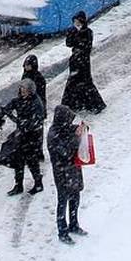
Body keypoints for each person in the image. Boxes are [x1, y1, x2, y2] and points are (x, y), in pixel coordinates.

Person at [0, 78, 46, 196]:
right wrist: (1, 115)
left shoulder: (36, 103)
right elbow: (9, 106)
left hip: (32, 136)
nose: (22, 91)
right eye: (21, 88)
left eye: (24, 89)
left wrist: (18, 120)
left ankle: (38, 183)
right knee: (18, 160)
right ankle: (18, 185)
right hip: (22, 135)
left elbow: (34, 122)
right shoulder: (19, 100)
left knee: (32, 161)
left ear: (30, 90)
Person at [47, 104, 88, 243]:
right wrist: (77, 138)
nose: (70, 122)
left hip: (72, 170)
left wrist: (81, 129)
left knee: (75, 197)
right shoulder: (53, 135)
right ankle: (62, 231)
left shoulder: (63, 128)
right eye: (68, 119)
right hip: (62, 173)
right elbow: (65, 152)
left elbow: (72, 129)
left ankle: (74, 224)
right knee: (63, 201)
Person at [62, 11, 107, 113]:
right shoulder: (72, 31)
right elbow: (69, 43)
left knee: (85, 82)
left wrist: (78, 38)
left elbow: (87, 46)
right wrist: (74, 35)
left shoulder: (88, 32)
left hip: (84, 61)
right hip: (75, 60)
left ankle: (93, 104)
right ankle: (74, 104)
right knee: (73, 82)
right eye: (75, 22)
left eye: (77, 21)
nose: (76, 23)